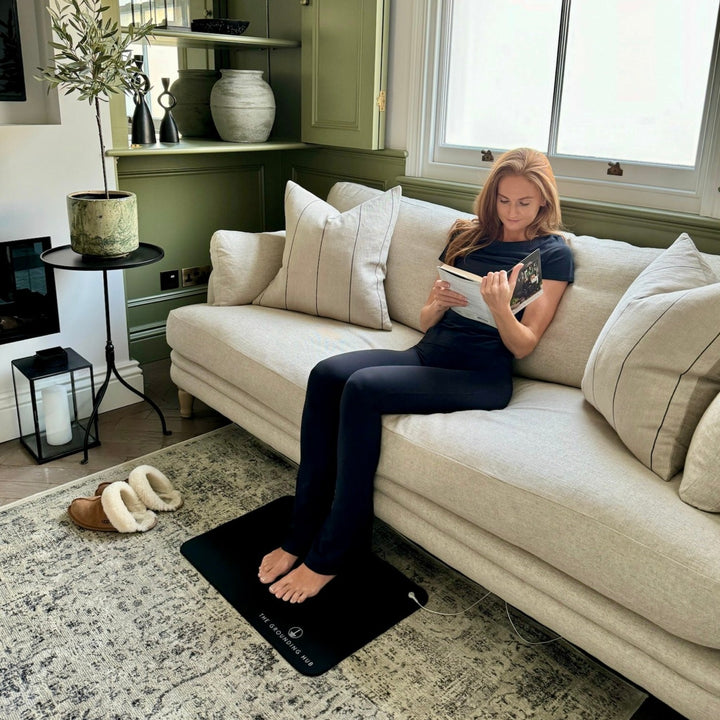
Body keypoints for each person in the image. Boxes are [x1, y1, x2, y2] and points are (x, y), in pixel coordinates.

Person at [258, 147, 574, 603]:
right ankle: (301, 528)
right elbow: (427, 322)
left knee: (364, 389)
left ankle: (333, 552)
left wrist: (501, 308)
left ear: (544, 201)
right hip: (430, 352)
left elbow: (524, 343)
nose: (512, 212)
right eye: (504, 200)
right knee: (327, 374)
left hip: (481, 375)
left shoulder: (551, 254)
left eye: (524, 203)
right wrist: (439, 304)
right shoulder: (468, 236)